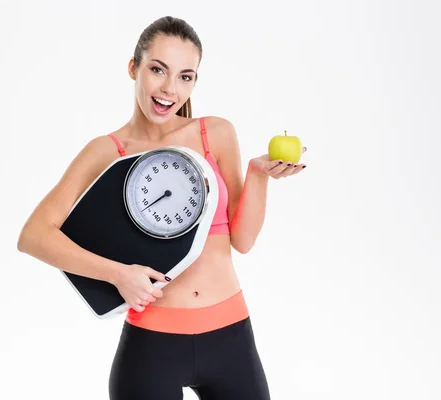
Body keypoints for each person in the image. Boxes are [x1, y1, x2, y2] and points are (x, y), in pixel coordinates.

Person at [17, 15, 306, 400]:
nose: (170, 89)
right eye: (158, 70)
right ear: (133, 67)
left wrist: (258, 176)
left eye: (186, 76)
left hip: (231, 338)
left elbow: (243, 240)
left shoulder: (214, 133)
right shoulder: (107, 152)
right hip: (151, 348)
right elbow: (33, 235)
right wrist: (118, 275)